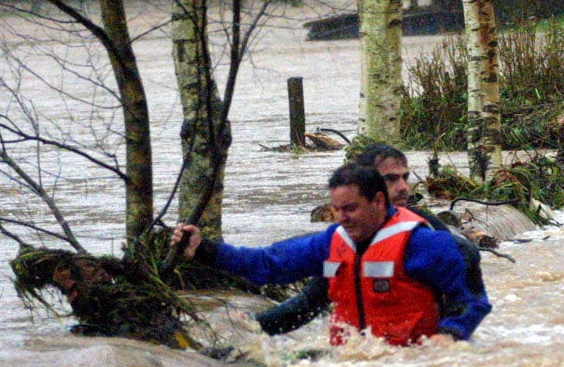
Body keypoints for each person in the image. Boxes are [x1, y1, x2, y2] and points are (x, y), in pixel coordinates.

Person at [172, 164, 490, 345]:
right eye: (336, 209)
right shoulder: (330, 242)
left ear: (379, 202)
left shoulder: (425, 243)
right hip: (352, 362)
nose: (341, 217)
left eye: (350, 208)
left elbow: (472, 301)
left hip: (417, 363)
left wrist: (450, 334)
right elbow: (265, 265)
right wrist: (204, 248)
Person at [254, 144, 486, 336]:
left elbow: (467, 262)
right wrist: (254, 329)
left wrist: (450, 336)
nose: (403, 188)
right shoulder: (346, 239)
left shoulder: (424, 228)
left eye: (405, 178)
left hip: (422, 353)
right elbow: (310, 302)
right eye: (391, 180)